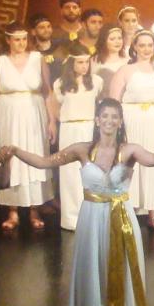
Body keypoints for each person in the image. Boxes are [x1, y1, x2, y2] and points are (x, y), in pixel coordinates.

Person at [0, 98, 154, 306]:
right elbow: (44, 162)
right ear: (97, 120)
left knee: (120, 275)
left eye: (115, 116)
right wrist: (16, 151)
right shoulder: (82, 150)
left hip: (121, 219)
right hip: (91, 220)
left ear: (120, 121)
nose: (110, 121)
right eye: (105, 116)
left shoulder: (130, 150)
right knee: (93, 276)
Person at [109, 29, 154, 233]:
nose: (147, 49)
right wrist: (115, 130)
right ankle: (128, 213)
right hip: (134, 123)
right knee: (133, 167)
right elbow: (113, 101)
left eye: (150, 45)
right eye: (142, 45)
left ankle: (153, 215)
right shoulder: (125, 70)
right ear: (134, 47)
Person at [0, 22, 54, 233]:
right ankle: (12, 210)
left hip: (34, 114)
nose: (21, 43)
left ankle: (34, 209)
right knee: (11, 158)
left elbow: (48, 92)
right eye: (16, 39)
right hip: (8, 114)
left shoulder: (37, 59)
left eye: (24, 39)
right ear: (8, 40)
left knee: (34, 156)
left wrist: (52, 120)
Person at [48, 43, 103, 230]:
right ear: (71, 63)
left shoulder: (96, 81)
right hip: (70, 130)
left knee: (90, 171)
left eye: (87, 62)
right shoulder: (60, 84)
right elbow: (55, 108)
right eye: (80, 62)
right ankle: (72, 218)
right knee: (70, 173)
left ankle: (91, 217)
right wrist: (59, 122)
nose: (84, 66)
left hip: (89, 128)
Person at [91, 24, 129, 92]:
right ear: (104, 41)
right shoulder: (92, 61)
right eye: (112, 39)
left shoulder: (128, 61)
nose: (117, 42)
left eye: (119, 38)